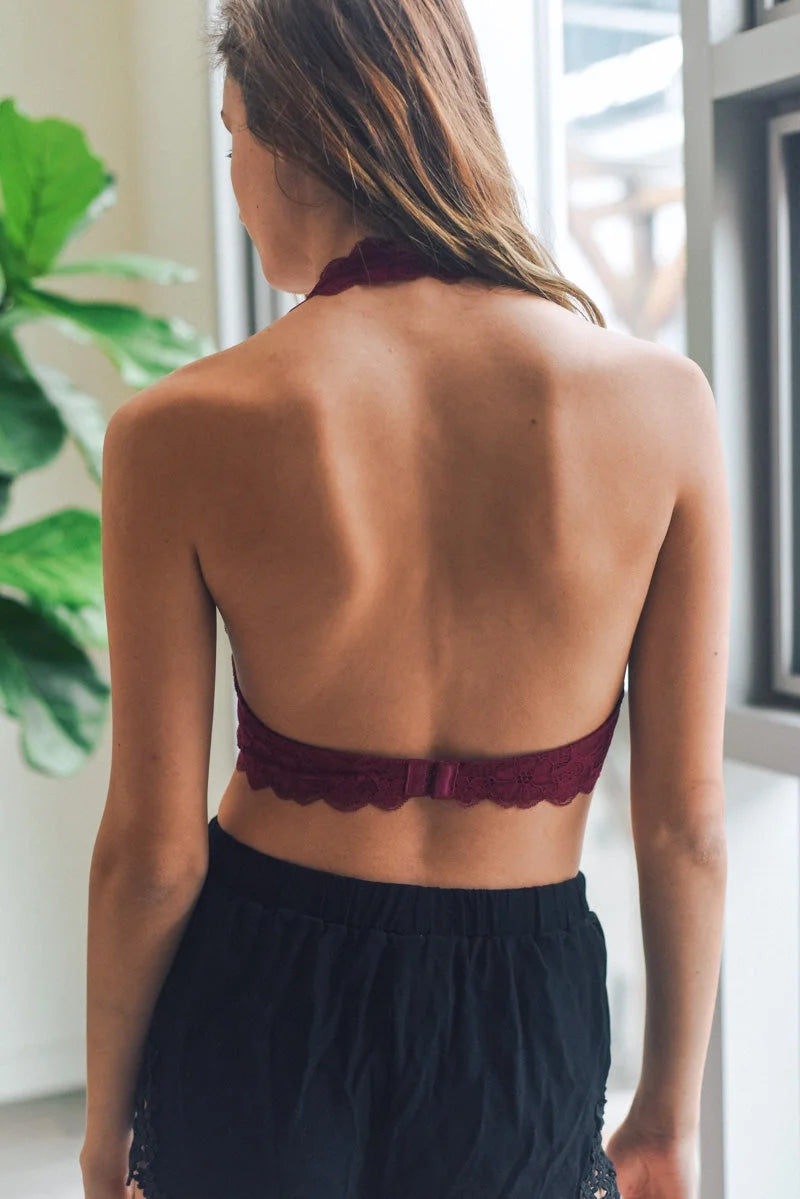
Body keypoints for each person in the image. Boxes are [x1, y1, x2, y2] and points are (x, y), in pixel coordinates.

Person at [79, 2, 729, 1198]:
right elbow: (683, 826)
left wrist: (104, 1120)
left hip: (261, 984)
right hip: (520, 998)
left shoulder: (177, 430)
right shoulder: (663, 405)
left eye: (231, 137)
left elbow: (152, 853)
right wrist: (667, 1114)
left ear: (293, 136)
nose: (232, 180)